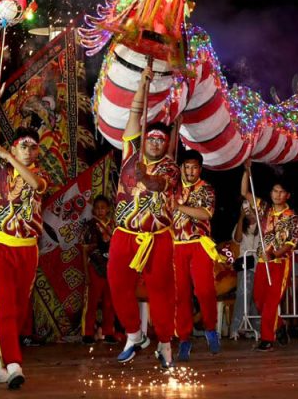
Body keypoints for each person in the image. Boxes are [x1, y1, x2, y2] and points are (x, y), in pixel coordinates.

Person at [0, 77, 49, 389]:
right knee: (4, 305)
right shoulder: (0, 170)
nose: (29, 150)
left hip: (28, 249)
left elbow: (34, 185)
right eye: (23, 145)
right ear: (15, 146)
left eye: (33, 146)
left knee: (18, 312)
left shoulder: (38, 175)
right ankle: (15, 365)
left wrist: (8, 156)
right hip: (1, 247)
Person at [107, 63, 180, 369]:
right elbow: (135, 114)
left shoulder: (170, 167)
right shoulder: (130, 152)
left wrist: (145, 177)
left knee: (161, 291)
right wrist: (142, 83)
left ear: (166, 144)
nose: (155, 143)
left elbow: (158, 185)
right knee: (117, 284)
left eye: (161, 140)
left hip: (157, 238)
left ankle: (164, 342)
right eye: (151, 138)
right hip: (124, 233)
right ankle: (134, 334)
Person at [241, 159, 298, 351]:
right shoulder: (264, 209)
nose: (277, 194)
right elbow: (245, 192)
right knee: (259, 300)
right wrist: (247, 172)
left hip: (279, 263)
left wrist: (274, 254)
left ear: (287, 195)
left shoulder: (291, 217)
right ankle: (280, 325)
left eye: (281, 192)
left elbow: (290, 243)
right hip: (262, 261)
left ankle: (267, 339)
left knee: (271, 303)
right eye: (275, 191)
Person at [173, 149, 220, 361]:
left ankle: (210, 328)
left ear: (200, 169)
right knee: (180, 295)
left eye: (194, 168)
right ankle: (184, 338)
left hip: (199, 243)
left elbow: (205, 214)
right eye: (187, 167)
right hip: (176, 245)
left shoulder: (206, 189)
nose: (190, 171)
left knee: (205, 290)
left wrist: (179, 207)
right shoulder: (172, 188)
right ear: (181, 168)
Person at [80, 195, 118, 345]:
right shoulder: (89, 226)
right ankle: (87, 333)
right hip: (95, 267)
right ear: (93, 210)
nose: (100, 210)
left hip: (111, 268)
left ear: (108, 209)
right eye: (97, 208)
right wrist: (86, 273)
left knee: (110, 302)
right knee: (92, 302)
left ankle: (108, 332)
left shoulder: (114, 225)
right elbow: (84, 250)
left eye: (103, 208)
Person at [229, 198, 261, 339]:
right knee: (242, 296)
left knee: (255, 298)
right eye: (245, 210)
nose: (249, 212)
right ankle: (235, 329)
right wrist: (241, 218)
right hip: (246, 264)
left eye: (250, 209)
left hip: (260, 265)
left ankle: (257, 329)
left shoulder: (263, 224)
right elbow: (237, 239)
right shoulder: (241, 225)